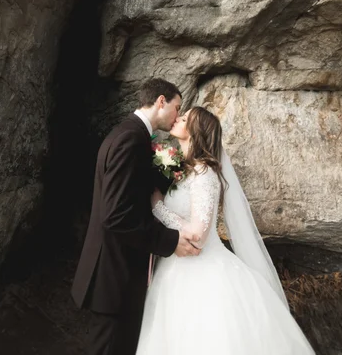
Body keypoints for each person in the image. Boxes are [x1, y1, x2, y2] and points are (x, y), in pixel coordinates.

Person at [136, 106, 316, 355]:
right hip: (174, 267)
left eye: (186, 118)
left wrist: (158, 207)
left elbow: (198, 233)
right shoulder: (185, 171)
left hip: (203, 272)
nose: (178, 118)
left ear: (196, 132)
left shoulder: (205, 174)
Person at [71, 78, 201, 355]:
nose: (178, 115)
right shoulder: (130, 140)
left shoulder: (130, 135)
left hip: (117, 271)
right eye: (177, 107)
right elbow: (116, 215)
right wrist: (169, 241)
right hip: (115, 272)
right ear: (161, 101)